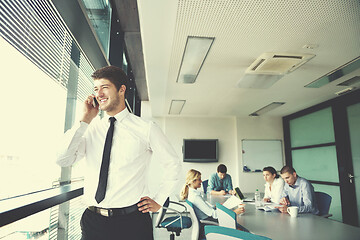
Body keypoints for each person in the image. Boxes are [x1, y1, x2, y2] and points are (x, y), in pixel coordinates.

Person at [56, 66, 181, 240]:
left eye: (105, 87)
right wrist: (84, 120)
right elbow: (63, 159)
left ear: (121, 89)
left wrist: (159, 199)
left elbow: (172, 164)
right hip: (93, 222)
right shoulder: (90, 129)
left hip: (132, 223)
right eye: (96, 89)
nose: (99, 94)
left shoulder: (146, 129)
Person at [180, 169, 246, 237]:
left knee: (237, 226)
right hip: (209, 221)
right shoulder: (195, 197)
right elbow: (214, 214)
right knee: (240, 228)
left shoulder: (192, 193)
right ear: (193, 181)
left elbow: (204, 208)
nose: (201, 181)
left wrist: (215, 206)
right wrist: (234, 212)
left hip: (207, 219)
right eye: (199, 179)